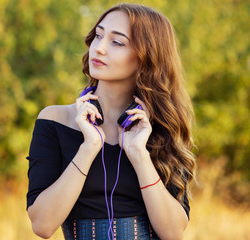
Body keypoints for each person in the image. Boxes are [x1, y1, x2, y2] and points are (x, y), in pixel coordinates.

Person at [26, 3, 196, 240]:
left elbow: (173, 233)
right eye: (98, 35)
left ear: (146, 58)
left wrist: (139, 154)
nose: (100, 48)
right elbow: (42, 225)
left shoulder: (163, 128)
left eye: (117, 42)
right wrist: (89, 147)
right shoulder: (54, 121)